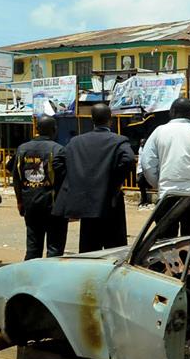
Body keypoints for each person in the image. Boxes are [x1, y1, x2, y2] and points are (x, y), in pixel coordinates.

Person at [53, 104, 134, 253]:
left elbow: (57, 161)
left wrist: (76, 179)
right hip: (110, 202)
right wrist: (113, 181)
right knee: (114, 250)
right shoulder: (118, 141)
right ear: (110, 120)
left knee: (88, 248)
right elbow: (128, 160)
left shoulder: (76, 141)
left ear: (92, 120)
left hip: (86, 203)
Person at [141, 97, 190, 237]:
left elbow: (147, 164)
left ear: (172, 111)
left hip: (167, 196)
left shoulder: (159, 132)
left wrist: (159, 184)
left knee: (165, 245)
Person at [12, 115, 68, 259]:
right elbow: (66, 179)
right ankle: (50, 278)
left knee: (33, 247)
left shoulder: (22, 149)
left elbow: (16, 178)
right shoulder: (59, 149)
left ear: (37, 129)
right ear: (54, 130)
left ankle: (30, 279)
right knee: (54, 248)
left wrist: (19, 201)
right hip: (53, 206)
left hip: (30, 204)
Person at [136, 138, 152, 206]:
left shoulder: (148, 149)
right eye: (141, 143)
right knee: (141, 186)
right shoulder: (140, 148)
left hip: (145, 169)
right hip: (139, 169)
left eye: (143, 143)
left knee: (140, 181)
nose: (142, 144)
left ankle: (145, 200)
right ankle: (143, 200)